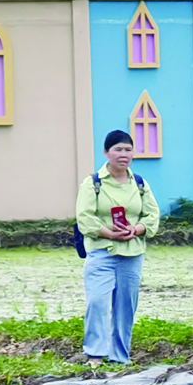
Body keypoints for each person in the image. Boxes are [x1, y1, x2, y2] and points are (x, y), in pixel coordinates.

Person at [76, 131, 160, 366]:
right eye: (118, 150)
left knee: (126, 306)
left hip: (132, 254)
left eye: (128, 150)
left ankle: (119, 357)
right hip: (102, 251)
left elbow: (153, 214)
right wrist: (110, 233)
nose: (123, 155)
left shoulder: (140, 183)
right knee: (98, 301)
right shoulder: (93, 183)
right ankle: (94, 355)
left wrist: (138, 229)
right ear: (106, 153)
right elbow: (84, 218)